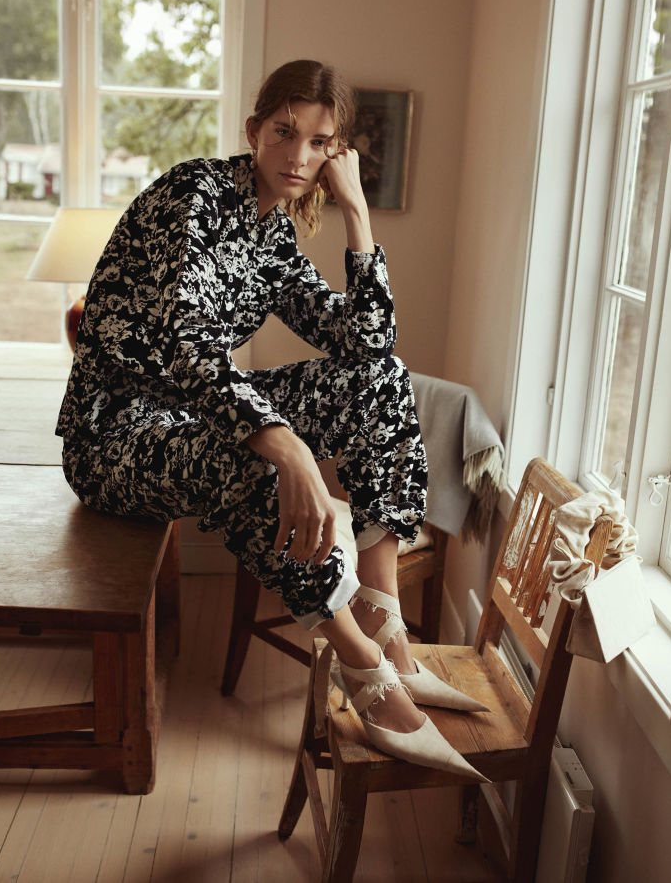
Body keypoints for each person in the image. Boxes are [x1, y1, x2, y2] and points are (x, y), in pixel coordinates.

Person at [57, 60, 487, 778]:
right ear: (254, 129)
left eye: (319, 142)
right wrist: (288, 448)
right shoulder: (192, 193)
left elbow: (367, 345)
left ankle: (384, 619)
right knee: (253, 453)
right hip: (113, 439)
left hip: (197, 418)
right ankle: (363, 667)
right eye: (284, 132)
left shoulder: (275, 238)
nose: (297, 155)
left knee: (380, 379)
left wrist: (357, 214)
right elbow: (187, 346)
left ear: (335, 154)